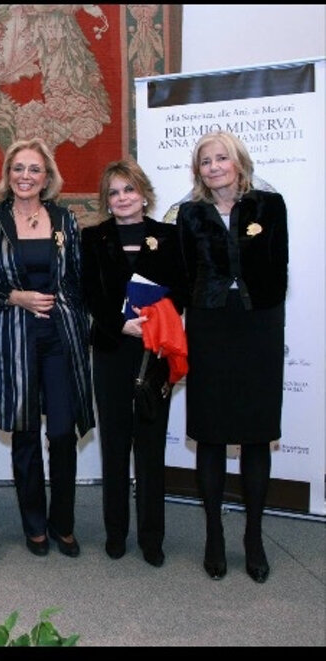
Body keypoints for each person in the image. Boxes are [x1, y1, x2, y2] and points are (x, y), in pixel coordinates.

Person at [175, 131, 288, 584]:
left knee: (257, 435)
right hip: (209, 329)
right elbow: (185, 273)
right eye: (206, 161)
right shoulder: (190, 214)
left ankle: (254, 538)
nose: (214, 167)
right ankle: (215, 536)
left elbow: (279, 266)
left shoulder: (269, 206)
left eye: (222, 158)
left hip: (259, 328)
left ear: (239, 162)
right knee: (211, 435)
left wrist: (255, 303)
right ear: (198, 171)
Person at [0, 138, 94, 559]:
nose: (25, 176)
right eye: (18, 168)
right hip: (16, 337)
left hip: (61, 339)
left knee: (62, 433)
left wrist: (74, 317)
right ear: (8, 175)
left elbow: (78, 279)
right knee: (25, 433)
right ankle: (34, 525)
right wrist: (15, 297)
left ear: (47, 178)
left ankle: (62, 523)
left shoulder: (65, 219)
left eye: (34, 169)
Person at [81, 159, 187, 567]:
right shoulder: (94, 238)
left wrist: (153, 322)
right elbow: (88, 292)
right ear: (106, 201)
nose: (122, 197)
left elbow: (181, 290)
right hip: (111, 349)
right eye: (114, 192)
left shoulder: (169, 236)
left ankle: (152, 537)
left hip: (153, 351)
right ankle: (115, 532)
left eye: (129, 189)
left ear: (143, 194)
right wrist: (118, 324)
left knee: (150, 445)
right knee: (114, 444)